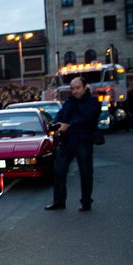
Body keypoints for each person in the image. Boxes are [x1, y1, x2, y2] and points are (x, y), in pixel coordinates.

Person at [46, 77, 100, 212]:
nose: (75, 91)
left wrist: (68, 125)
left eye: (78, 88)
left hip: (83, 140)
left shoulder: (93, 102)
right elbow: (61, 115)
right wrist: (54, 123)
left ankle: (86, 202)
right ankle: (58, 201)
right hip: (67, 141)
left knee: (85, 173)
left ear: (85, 87)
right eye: (72, 88)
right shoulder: (69, 102)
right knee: (59, 171)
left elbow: (88, 118)